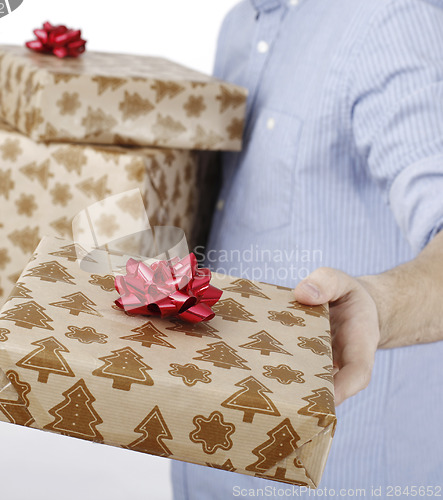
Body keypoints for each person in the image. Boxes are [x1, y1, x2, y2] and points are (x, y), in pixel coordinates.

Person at [171, 0, 443, 497]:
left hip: (338, 473)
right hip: (205, 450)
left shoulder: (389, 18)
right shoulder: (239, 26)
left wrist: (377, 304)